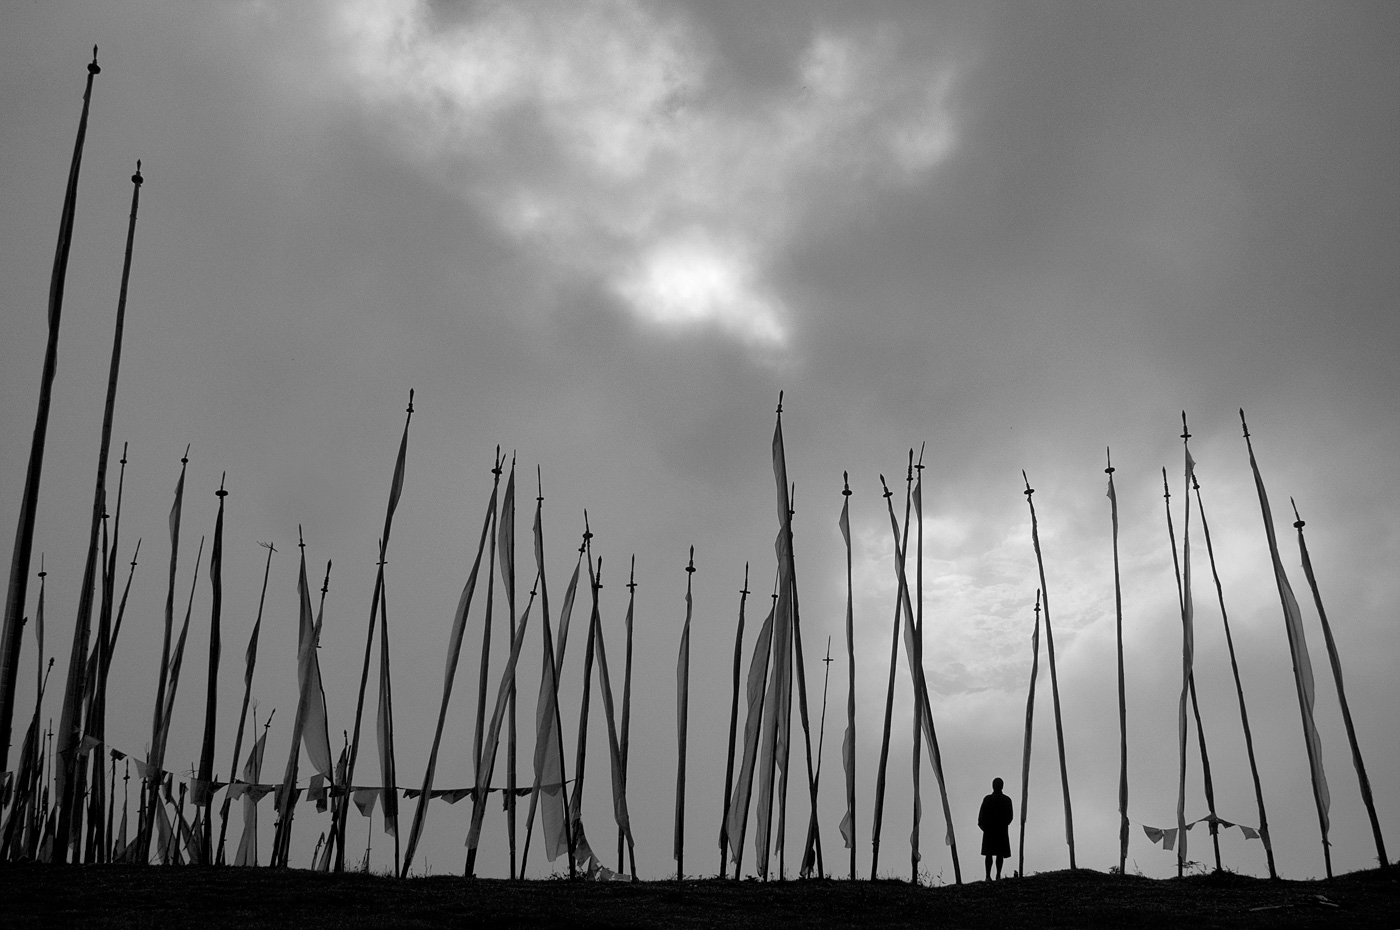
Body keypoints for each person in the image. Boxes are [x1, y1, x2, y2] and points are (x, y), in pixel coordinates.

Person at [978, 777, 1013, 881]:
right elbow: (1010, 816)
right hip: (999, 830)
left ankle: (990, 876)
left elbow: (981, 816)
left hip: (990, 830)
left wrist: (984, 826)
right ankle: (995, 875)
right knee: (998, 854)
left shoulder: (988, 799)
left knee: (992, 854)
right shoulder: (1006, 800)